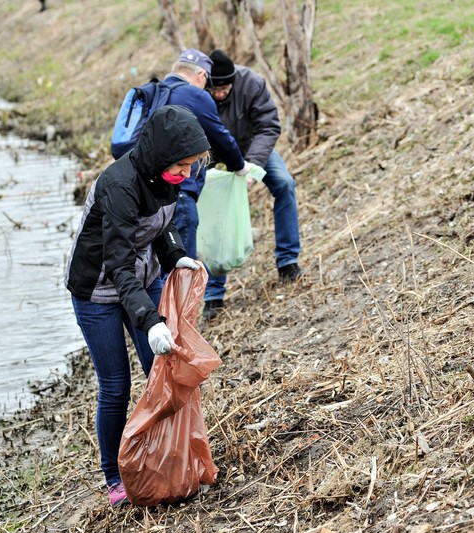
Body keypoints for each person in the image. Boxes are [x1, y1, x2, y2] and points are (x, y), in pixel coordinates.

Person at [65, 105, 211, 507]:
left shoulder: (168, 175)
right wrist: (150, 319)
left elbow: (163, 225)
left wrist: (175, 254)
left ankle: (168, 458)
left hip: (140, 279)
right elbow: (117, 263)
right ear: (161, 155)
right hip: (97, 290)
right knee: (116, 386)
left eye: (191, 166)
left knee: (161, 372)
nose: (185, 173)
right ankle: (115, 477)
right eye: (181, 165)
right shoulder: (119, 185)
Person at [203, 49, 303, 320]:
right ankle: (213, 293)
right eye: (215, 89)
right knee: (208, 206)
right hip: (209, 152)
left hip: (250, 148)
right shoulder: (198, 88)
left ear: (233, 81)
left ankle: (288, 261)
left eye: (224, 89)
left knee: (284, 183)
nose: (220, 94)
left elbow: (268, 126)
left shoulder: (251, 82)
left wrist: (251, 166)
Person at [162, 49, 250, 282]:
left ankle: (157, 317)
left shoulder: (156, 93)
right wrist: (239, 165)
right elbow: (220, 135)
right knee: (183, 272)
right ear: (200, 74)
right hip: (180, 194)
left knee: (158, 271)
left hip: (147, 199)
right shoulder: (194, 95)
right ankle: (179, 318)